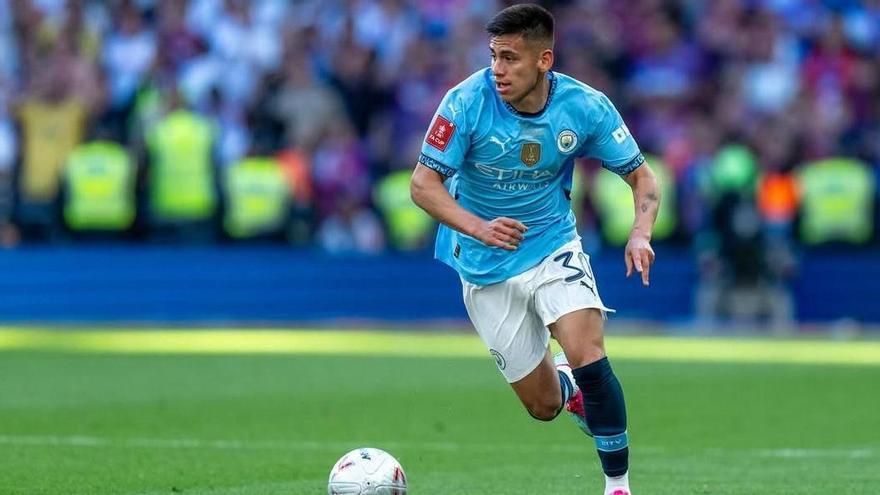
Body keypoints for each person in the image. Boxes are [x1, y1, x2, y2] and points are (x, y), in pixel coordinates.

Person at [409, 5, 660, 495]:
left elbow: (641, 176)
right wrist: (478, 228)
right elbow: (423, 186)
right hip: (483, 265)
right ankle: (566, 388)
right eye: (494, 57)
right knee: (542, 406)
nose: (498, 70)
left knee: (588, 349)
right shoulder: (464, 103)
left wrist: (640, 233)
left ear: (544, 60)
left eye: (511, 59)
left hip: (551, 244)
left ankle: (618, 485)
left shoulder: (585, 107)